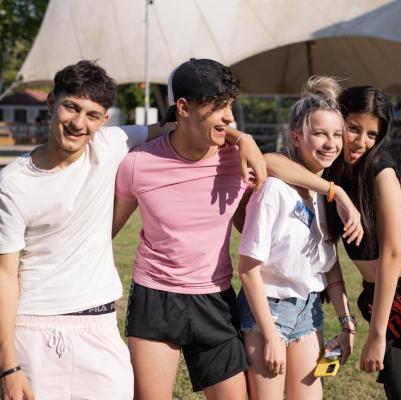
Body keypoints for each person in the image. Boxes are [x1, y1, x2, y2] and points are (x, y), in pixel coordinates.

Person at [0, 60, 266, 400]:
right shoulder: (17, 183)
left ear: (103, 120)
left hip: (149, 312)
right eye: (71, 107)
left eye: (93, 115)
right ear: (52, 103)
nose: (80, 123)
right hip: (65, 317)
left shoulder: (116, 144)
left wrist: (244, 138)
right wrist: (9, 366)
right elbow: (9, 276)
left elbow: (185, 126)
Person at [264, 85, 401, 399]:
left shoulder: (380, 169)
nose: (361, 142)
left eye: (373, 134)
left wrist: (377, 334)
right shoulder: (329, 168)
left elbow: (392, 256)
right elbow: (268, 162)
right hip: (381, 295)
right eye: (354, 129)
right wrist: (336, 192)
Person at [112, 59, 253, 400]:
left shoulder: (238, 159)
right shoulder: (138, 164)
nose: (229, 118)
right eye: (218, 107)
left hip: (215, 299)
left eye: (230, 107)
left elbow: (277, 172)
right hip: (155, 299)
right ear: (184, 107)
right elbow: (104, 233)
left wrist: (334, 194)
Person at [237, 76, 354, 400]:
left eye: (336, 135)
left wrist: (346, 325)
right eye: (319, 134)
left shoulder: (324, 193)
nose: (330, 143)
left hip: (309, 310)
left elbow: (329, 267)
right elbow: (247, 269)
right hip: (267, 311)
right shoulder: (274, 189)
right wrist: (271, 335)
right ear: (296, 137)